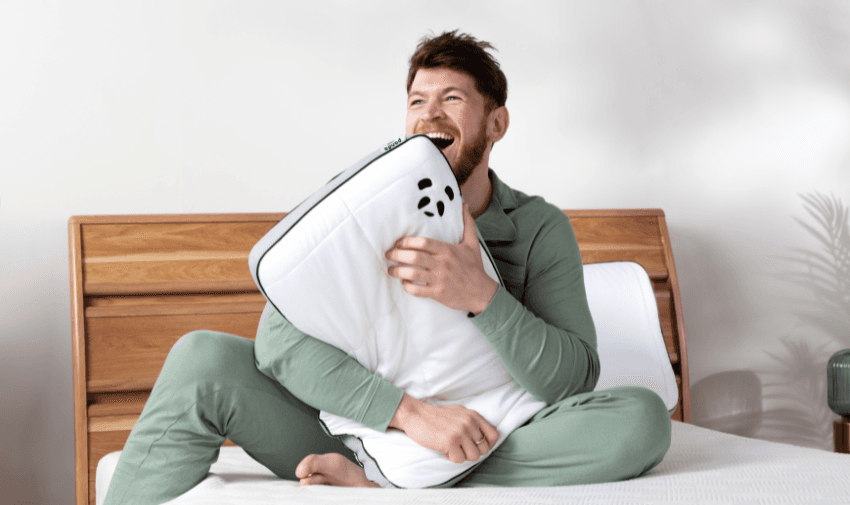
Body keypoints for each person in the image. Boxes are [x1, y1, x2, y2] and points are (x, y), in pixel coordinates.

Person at [103, 30, 671, 504]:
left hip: (489, 437)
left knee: (641, 420)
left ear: (496, 124)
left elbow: (572, 380)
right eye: (417, 101)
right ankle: (384, 469)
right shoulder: (360, 204)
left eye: (451, 99)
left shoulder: (539, 227)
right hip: (346, 432)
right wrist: (408, 415)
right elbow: (278, 344)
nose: (429, 115)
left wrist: (482, 297)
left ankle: (387, 483)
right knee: (201, 357)